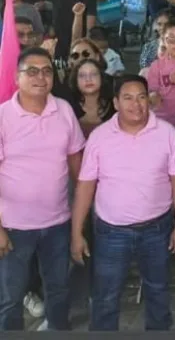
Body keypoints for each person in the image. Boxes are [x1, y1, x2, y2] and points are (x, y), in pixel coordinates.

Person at [70, 74, 175, 331]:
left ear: (150, 100)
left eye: (141, 97)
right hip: (111, 232)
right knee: (106, 296)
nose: (136, 104)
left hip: (157, 229)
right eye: (128, 98)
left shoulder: (167, 134)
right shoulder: (100, 137)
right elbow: (86, 186)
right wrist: (76, 232)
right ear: (115, 103)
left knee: (158, 292)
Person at [0, 48, 85, 331]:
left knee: (58, 290)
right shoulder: (3, 117)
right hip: (12, 227)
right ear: (17, 76)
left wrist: (81, 216)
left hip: (57, 223)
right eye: (32, 71)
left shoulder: (63, 110)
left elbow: (76, 164)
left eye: (47, 70)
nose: (41, 77)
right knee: (10, 298)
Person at [66, 58, 116, 137]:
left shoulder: (114, 105)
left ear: (101, 78)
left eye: (93, 74)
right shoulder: (68, 107)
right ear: (75, 81)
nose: (88, 79)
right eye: (82, 76)